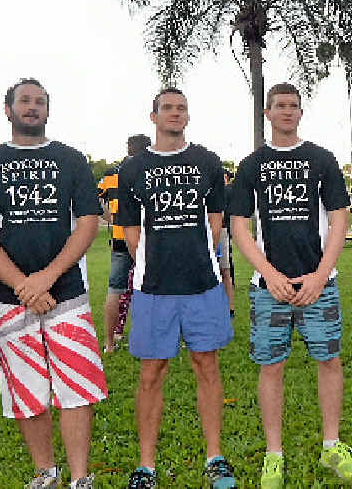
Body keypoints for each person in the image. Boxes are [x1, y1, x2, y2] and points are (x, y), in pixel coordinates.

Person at [0, 78, 106, 488]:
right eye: (24, 101)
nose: (32, 107)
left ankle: (80, 477)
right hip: (9, 298)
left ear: (49, 109)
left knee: (77, 387)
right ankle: (46, 472)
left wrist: (47, 277)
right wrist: (22, 284)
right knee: (26, 391)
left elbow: (87, 222)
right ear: (7, 109)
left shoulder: (71, 159)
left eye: (40, 101)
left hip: (67, 294)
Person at [230, 83, 352, 488]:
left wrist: (321, 274)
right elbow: (240, 225)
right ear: (268, 114)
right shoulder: (252, 164)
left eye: (293, 106)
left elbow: (340, 219)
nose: (287, 112)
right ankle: (274, 454)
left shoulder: (321, 159)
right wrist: (268, 273)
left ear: (301, 113)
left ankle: (332, 445)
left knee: (329, 361)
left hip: (319, 284)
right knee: (271, 368)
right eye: (280, 106)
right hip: (268, 286)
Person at [117, 88, 236, 489]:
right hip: (153, 288)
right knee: (152, 373)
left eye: (181, 108)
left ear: (188, 116)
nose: (174, 113)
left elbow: (216, 221)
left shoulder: (206, 161)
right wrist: (156, 263)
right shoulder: (133, 168)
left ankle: (214, 457)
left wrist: (195, 256)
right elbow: (132, 231)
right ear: (153, 116)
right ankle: (146, 465)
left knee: (208, 366)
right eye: (166, 108)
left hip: (203, 284)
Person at [97, 134, 151, 353]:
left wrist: (110, 217)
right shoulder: (149, 171)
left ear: (128, 148)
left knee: (115, 290)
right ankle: (148, 340)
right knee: (151, 289)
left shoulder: (111, 175)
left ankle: (109, 343)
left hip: (119, 238)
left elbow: (94, 198)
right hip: (147, 239)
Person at [219, 169, 235, 316]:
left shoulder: (223, 190)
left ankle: (229, 308)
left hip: (220, 231)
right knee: (226, 271)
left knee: (225, 270)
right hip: (219, 231)